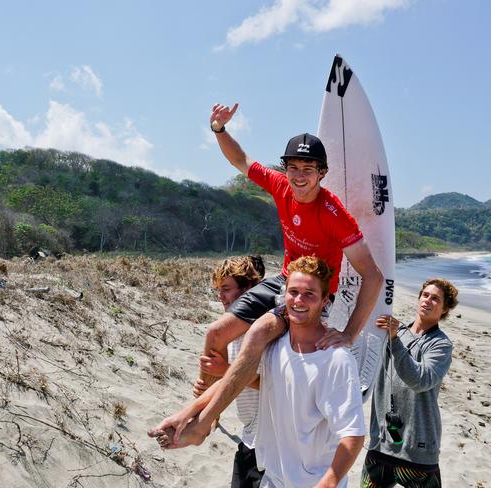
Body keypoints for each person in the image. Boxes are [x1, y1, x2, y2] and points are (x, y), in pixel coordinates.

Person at [158, 103, 383, 448]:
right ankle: (207, 413)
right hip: (283, 279)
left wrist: (349, 335)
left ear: (322, 172)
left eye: (308, 168)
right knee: (215, 333)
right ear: (286, 169)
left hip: (311, 293)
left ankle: (200, 422)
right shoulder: (280, 186)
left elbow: (373, 275)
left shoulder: (334, 214)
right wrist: (219, 129)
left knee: (256, 336)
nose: (299, 175)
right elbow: (241, 161)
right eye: (293, 167)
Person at [151, 257, 366, 487]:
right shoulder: (274, 346)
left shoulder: (336, 360)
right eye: (293, 292)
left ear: (325, 301)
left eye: (309, 294)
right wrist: (187, 413)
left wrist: (329, 483)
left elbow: (352, 435)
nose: (299, 300)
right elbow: (238, 378)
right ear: (283, 296)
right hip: (273, 478)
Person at [361, 278, 459, 487]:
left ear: (445, 309)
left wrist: (395, 340)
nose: (428, 301)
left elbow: (420, 380)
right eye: (425, 295)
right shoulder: (395, 331)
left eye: (436, 299)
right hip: (381, 443)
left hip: (418, 448)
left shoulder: (441, 345)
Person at [198, 255, 266, 488]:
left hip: (271, 443)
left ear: (249, 288)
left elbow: (272, 384)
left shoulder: (263, 330)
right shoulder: (230, 332)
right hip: (249, 438)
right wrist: (207, 393)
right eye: (218, 289)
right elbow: (231, 383)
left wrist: (226, 370)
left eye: (226, 288)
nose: (220, 296)